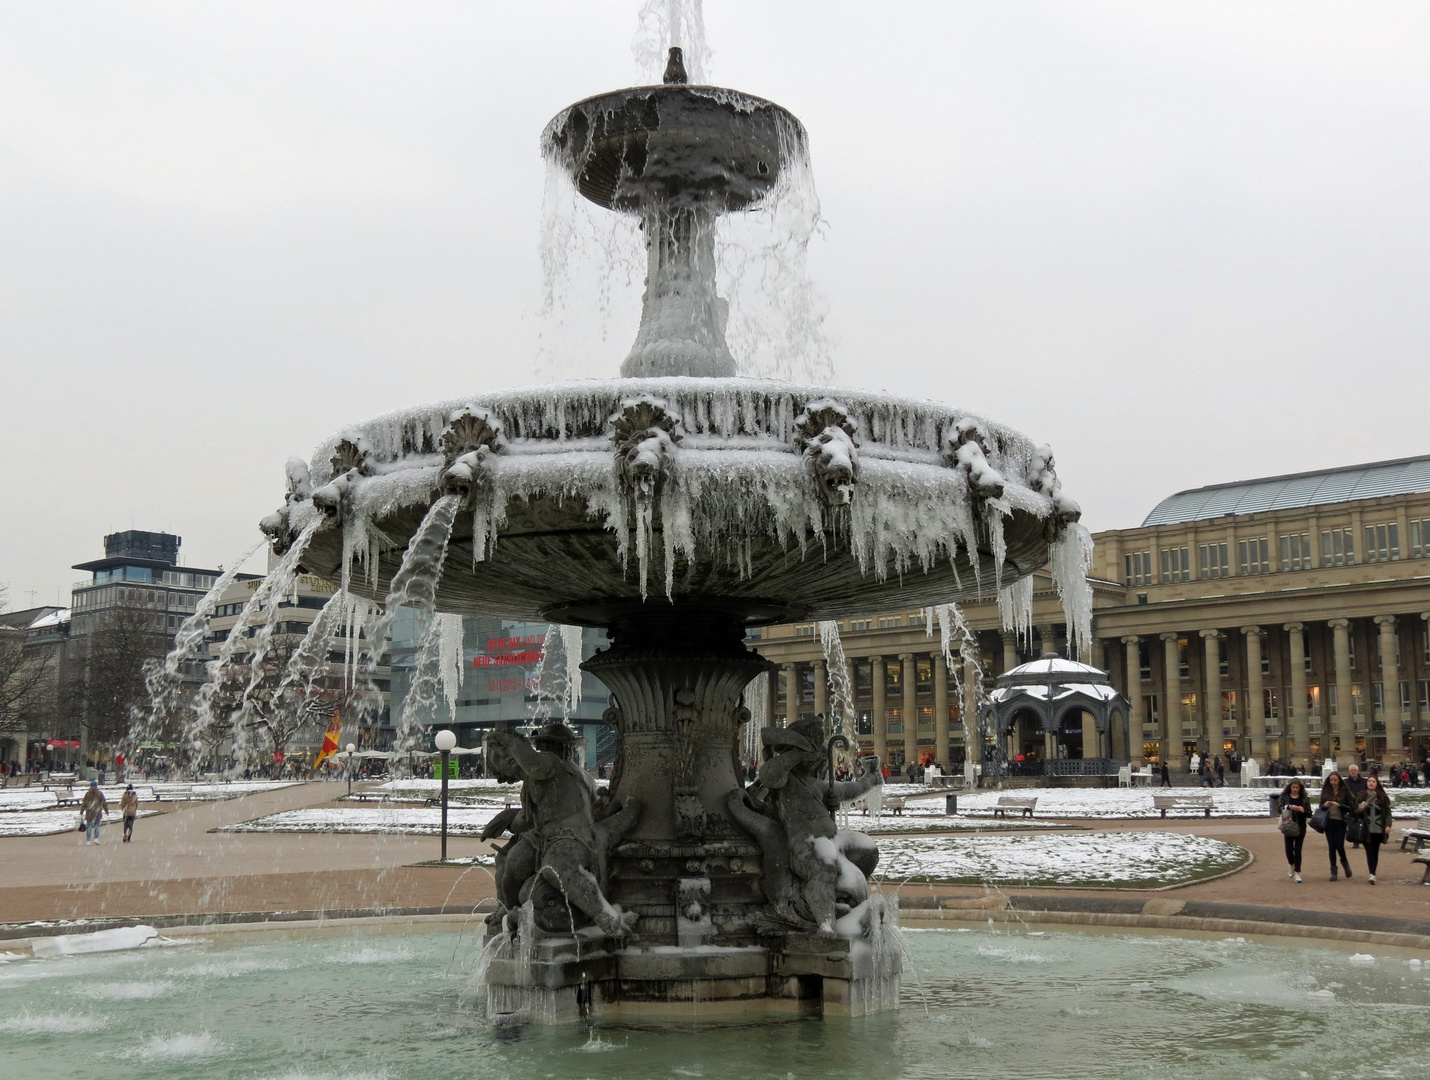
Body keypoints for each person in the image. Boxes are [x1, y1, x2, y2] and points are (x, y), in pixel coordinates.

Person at [1353, 774, 1393, 884]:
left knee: (1375, 851)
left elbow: (1388, 812)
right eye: (1369, 781)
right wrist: (1360, 809)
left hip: (1379, 829)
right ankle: (1372, 874)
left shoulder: (1382, 796)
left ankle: (1373, 872)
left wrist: (1388, 825)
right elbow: (1355, 813)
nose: (1371, 783)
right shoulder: (1361, 795)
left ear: (1377, 784)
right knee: (1369, 851)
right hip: (1367, 828)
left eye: (1373, 781)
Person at [1320, 772, 1353, 881]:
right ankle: (1333, 872)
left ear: (1339, 780)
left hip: (1340, 822)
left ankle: (1345, 863)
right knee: (1331, 847)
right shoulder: (1326, 791)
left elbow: (1350, 807)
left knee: (1339, 845)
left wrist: (1338, 805)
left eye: (1335, 780)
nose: (1333, 782)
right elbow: (1320, 806)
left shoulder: (1344, 792)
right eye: (1331, 780)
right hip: (1329, 822)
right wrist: (1325, 805)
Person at [1278, 779, 1311, 883]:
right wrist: (1289, 807)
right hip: (1288, 824)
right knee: (1288, 849)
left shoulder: (1304, 799)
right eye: (1293, 787)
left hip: (1301, 825)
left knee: (1297, 849)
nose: (1295, 789)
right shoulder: (1284, 797)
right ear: (1290, 787)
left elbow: (1310, 813)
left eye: (1297, 788)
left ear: (1300, 788)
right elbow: (1279, 808)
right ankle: (1291, 864)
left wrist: (1303, 810)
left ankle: (1297, 872)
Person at [1345, 764, 1368, 848]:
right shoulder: (1346, 782)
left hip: (1362, 804)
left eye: (1354, 770)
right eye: (1351, 770)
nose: (1353, 772)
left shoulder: (1364, 782)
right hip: (1351, 805)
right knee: (1353, 823)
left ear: (1358, 771)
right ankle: (1355, 841)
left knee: (1363, 822)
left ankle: (1364, 838)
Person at [80, 780, 108, 846]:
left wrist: (82, 811)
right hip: (97, 811)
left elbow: (84, 803)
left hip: (89, 812)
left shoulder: (87, 794)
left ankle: (88, 840)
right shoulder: (100, 793)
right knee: (97, 826)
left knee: (89, 826)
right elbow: (104, 803)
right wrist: (106, 810)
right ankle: (96, 838)